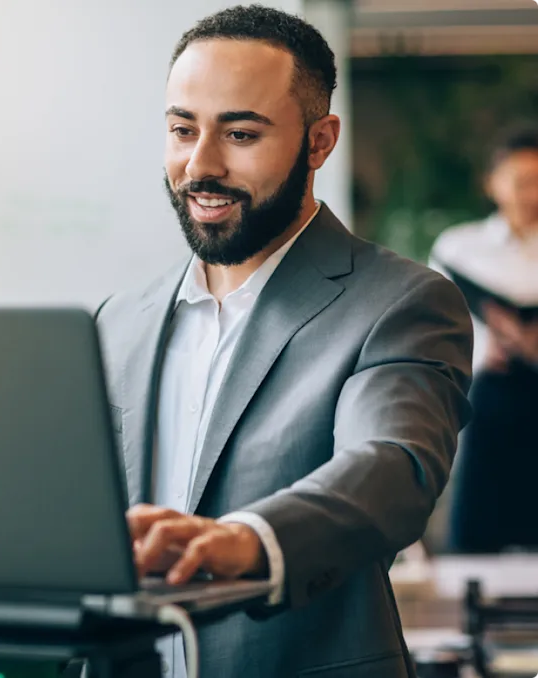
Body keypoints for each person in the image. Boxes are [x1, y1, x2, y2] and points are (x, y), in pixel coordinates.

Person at [94, 5, 473, 678]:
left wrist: (244, 541)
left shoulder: (401, 302)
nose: (199, 165)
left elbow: (391, 466)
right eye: (183, 129)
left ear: (320, 142)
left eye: (241, 133)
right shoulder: (116, 321)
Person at [430, 126, 538, 552]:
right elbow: (433, 328)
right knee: (479, 525)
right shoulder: (460, 248)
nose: (531, 193)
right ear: (492, 183)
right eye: (521, 181)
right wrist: (482, 348)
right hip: (488, 391)